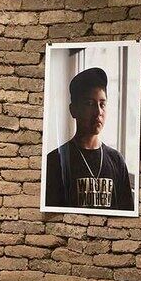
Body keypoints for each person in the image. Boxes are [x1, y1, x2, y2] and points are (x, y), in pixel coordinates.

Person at [43, 64, 134, 212]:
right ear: (73, 110)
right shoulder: (55, 161)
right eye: (90, 104)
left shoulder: (116, 160)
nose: (98, 112)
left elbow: (127, 213)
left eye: (102, 104)